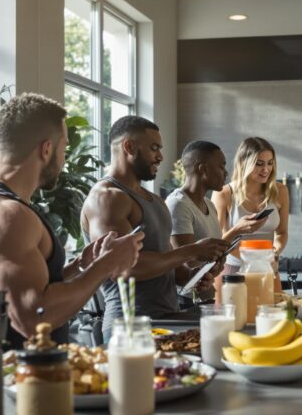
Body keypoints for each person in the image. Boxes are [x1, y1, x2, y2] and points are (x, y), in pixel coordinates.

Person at [0, 93, 144, 403]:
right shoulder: (4, 215)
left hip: (8, 383)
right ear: (47, 148)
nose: (63, 158)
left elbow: (7, 292)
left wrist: (82, 266)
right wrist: (105, 267)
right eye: (63, 148)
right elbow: (33, 316)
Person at [81, 116, 229, 341]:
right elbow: (124, 267)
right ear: (129, 147)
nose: (160, 156)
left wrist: (197, 275)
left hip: (168, 318)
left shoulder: (155, 201)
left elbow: (173, 270)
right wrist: (192, 251)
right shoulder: (107, 198)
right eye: (154, 148)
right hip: (130, 326)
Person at [212, 137, 289, 291]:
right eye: (259, 164)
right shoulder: (224, 193)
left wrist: (275, 252)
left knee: (275, 314)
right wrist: (252, 260)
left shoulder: (280, 191)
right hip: (233, 271)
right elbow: (218, 238)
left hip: (268, 269)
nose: (266, 169)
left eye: (270, 163)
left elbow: (282, 233)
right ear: (243, 163)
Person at [166, 141, 227, 301]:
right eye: (221, 167)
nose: (226, 173)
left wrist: (218, 263)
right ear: (203, 169)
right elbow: (187, 261)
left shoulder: (210, 205)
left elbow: (210, 260)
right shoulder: (178, 205)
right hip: (185, 301)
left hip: (205, 297)